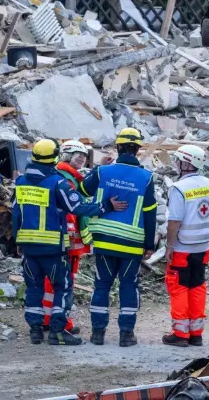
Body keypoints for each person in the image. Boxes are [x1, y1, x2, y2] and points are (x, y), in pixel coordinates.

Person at [14, 138, 126, 345]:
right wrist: (106, 207)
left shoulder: (20, 182)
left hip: (29, 248)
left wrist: (17, 241)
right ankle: (57, 331)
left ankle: (36, 331)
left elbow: (16, 214)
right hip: (53, 248)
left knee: (33, 289)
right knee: (62, 287)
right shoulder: (57, 183)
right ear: (56, 158)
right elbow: (77, 207)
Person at [79, 127, 157, 347]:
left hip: (104, 240)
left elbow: (83, 190)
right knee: (128, 285)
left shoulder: (103, 172)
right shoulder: (146, 177)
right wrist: (149, 244)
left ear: (119, 147)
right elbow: (150, 212)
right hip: (132, 244)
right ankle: (126, 334)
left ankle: (97, 333)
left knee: (102, 285)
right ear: (138, 150)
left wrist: (99, 168)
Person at [162, 145, 209, 347]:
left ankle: (180, 334)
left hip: (182, 248)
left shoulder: (179, 188)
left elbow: (174, 221)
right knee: (197, 287)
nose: (176, 163)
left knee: (179, 287)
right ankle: (196, 333)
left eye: (178, 160)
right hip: (202, 247)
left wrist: (169, 246)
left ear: (185, 163)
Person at [38, 140, 93, 334]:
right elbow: (70, 212)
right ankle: (61, 322)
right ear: (66, 156)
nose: (82, 160)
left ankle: (47, 318)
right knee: (64, 282)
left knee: (53, 280)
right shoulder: (66, 179)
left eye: (85, 157)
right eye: (78, 155)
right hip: (67, 241)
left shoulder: (68, 176)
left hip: (62, 239)